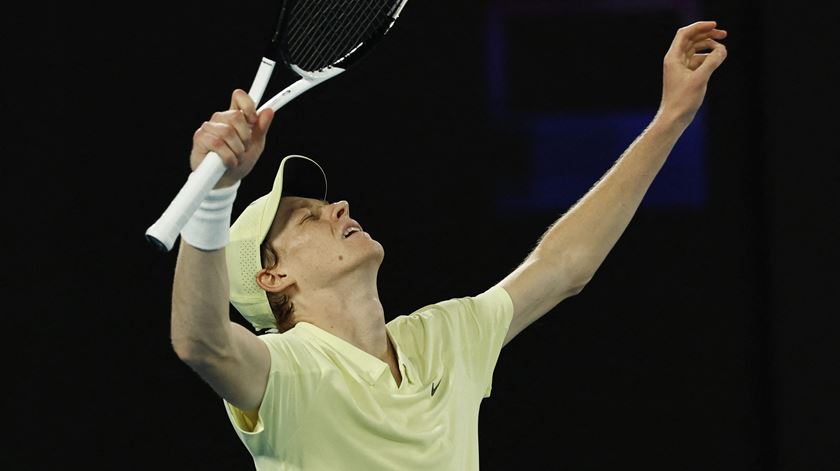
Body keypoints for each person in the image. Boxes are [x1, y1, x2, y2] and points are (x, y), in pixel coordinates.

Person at [170, 20, 727, 470]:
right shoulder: (284, 373)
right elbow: (202, 343)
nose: (338, 207)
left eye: (325, 204)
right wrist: (218, 194)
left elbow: (564, 265)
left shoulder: (442, 338)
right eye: (307, 218)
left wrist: (671, 117)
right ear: (273, 277)